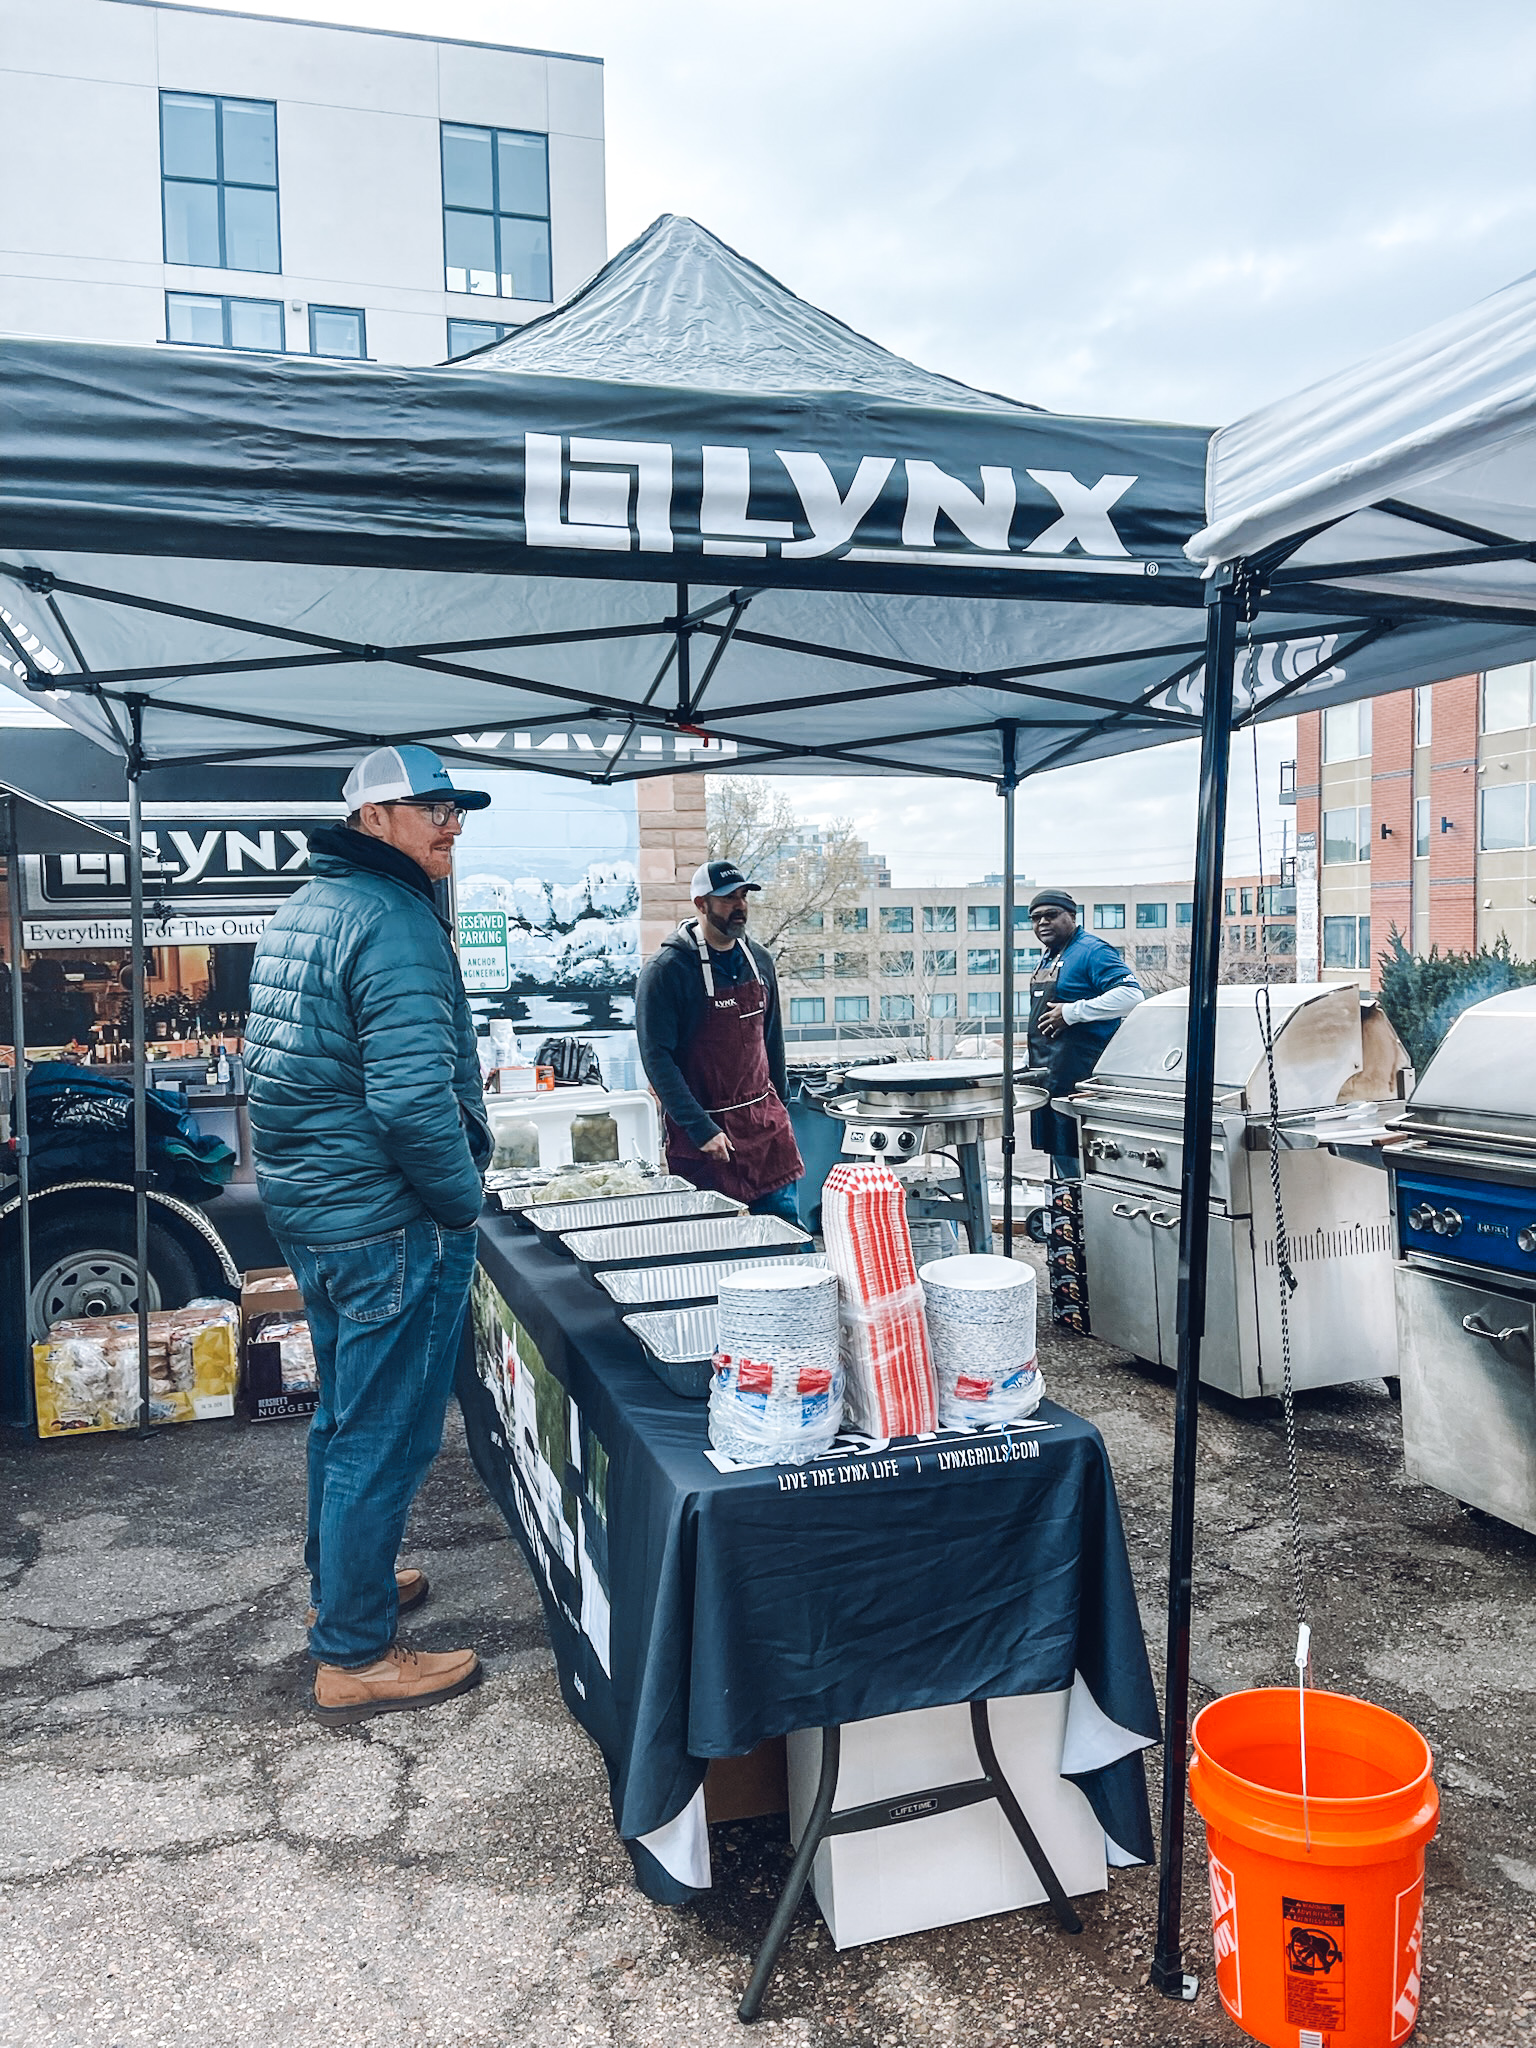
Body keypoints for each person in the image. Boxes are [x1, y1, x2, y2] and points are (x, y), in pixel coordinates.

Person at [244, 744, 495, 1725]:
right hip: (389, 1221)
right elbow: (410, 1103)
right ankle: (353, 1650)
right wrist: (463, 1201)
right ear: (373, 819)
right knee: (384, 1435)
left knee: (344, 1417)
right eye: (432, 808)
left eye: (455, 809)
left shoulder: (306, 907)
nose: (451, 825)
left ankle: (342, 1584)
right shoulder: (394, 918)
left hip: (319, 1215)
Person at [635, 859, 804, 1223]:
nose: (740, 905)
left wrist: (782, 1107)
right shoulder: (666, 971)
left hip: (766, 1129)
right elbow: (657, 1060)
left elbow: (771, 1039)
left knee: (786, 1235)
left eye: (743, 896)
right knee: (711, 1240)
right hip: (707, 1139)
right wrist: (700, 1130)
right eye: (728, 898)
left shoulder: (759, 960)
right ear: (701, 904)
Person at [1026, 888, 1144, 1180]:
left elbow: (1131, 996)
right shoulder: (1048, 957)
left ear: (1072, 916)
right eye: (1036, 918)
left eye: (1051, 915)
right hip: (1049, 1078)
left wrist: (1072, 1012)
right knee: (1062, 1170)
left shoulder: (1092, 951)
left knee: (1083, 1168)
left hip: (1080, 1080)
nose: (1043, 922)